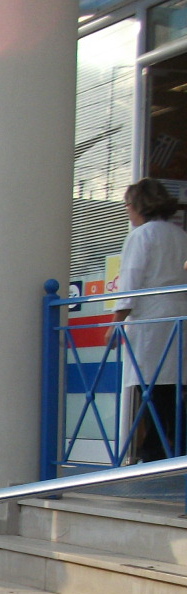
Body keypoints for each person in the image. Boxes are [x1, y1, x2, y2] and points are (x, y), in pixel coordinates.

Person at [114, 177, 187, 461]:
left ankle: (155, 451)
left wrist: (117, 319)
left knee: (152, 388)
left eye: (128, 205)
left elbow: (131, 279)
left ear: (138, 205)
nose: (127, 212)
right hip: (179, 315)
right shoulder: (180, 234)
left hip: (152, 320)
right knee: (171, 388)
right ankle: (167, 447)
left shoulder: (142, 235)